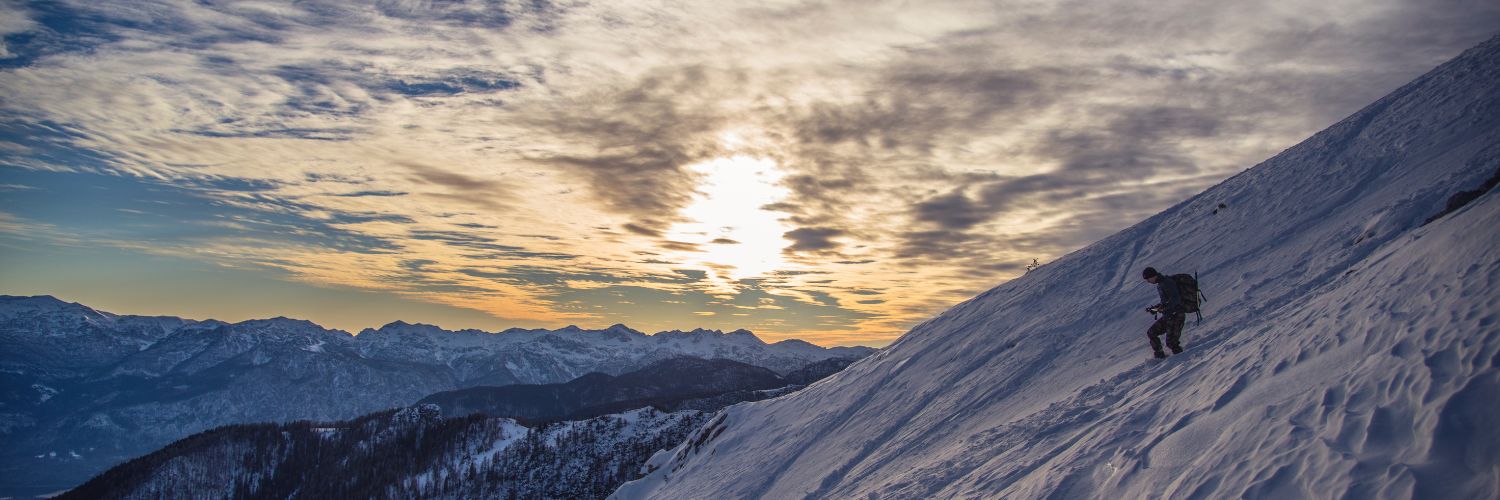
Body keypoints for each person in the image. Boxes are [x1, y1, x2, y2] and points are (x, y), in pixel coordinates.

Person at [1142, 266, 1185, 358]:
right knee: (1151, 332)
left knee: (1172, 343)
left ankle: (1183, 361)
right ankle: (1160, 357)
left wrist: (1164, 307)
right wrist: (1156, 308)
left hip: (1176, 315)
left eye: (1148, 279)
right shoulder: (1160, 284)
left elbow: (1176, 299)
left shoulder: (1167, 282)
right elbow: (1165, 302)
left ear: (1152, 276)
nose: (1148, 281)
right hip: (1168, 316)